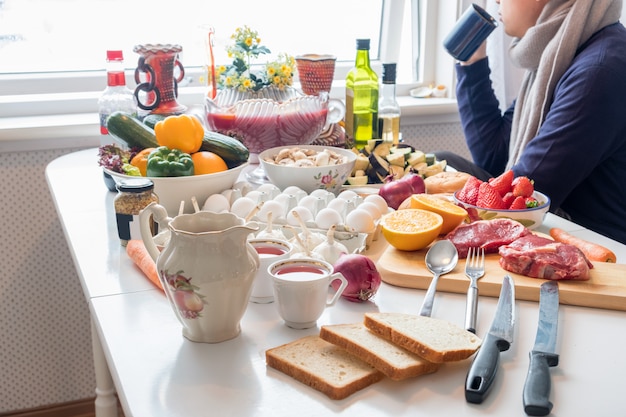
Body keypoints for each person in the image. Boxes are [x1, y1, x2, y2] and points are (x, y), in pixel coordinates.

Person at [437, 0, 626, 245]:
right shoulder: (559, 55)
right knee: (443, 161)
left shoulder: (598, 71)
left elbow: (525, 193)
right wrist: (472, 63)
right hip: (561, 222)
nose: (496, 1)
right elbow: (494, 156)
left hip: (592, 242)